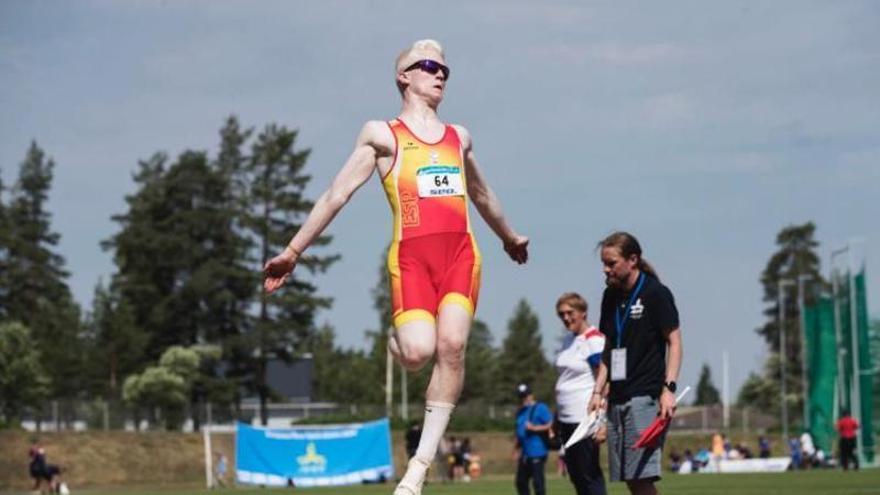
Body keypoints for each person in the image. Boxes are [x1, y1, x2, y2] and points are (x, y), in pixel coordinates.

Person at [262, 39, 529, 495]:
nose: (440, 73)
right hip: (412, 258)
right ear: (403, 76)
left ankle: (417, 471)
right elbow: (336, 194)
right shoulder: (382, 135)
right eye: (428, 66)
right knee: (418, 352)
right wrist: (293, 251)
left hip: (461, 253)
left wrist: (508, 236)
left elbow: (482, 195)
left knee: (452, 345)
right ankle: (398, 343)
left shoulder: (458, 137)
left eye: (446, 69)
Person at [588, 232, 683, 495]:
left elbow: (674, 342)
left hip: (645, 397)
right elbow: (610, 346)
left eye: (611, 263)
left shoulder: (655, 293)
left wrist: (669, 389)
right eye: (604, 264)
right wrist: (598, 390)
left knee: (641, 476)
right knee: (630, 477)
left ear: (633, 260)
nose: (606, 270)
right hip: (618, 396)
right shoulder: (610, 297)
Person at [553, 292, 607, 495]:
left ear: (583, 313)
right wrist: (556, 415)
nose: (566, 318)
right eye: (561, 315)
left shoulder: (593, 340)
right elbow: (564, 380)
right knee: (575, 475)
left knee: (589, 474)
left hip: (584, 419)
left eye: (570, 313)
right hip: (566, 419)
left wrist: (602, 422)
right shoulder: (568, 340)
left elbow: (605, 383)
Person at [514, 383, 553, 495]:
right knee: (520, 482)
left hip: (537, 451)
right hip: (525, 453)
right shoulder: (520, 411)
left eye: (525, 396)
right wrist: (516, 449)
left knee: (538, 483)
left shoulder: (540, 408)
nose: (523, 399)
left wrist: (535, 428)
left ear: (531, 395)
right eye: (521, 397)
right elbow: (519, 431)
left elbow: (551, 424)